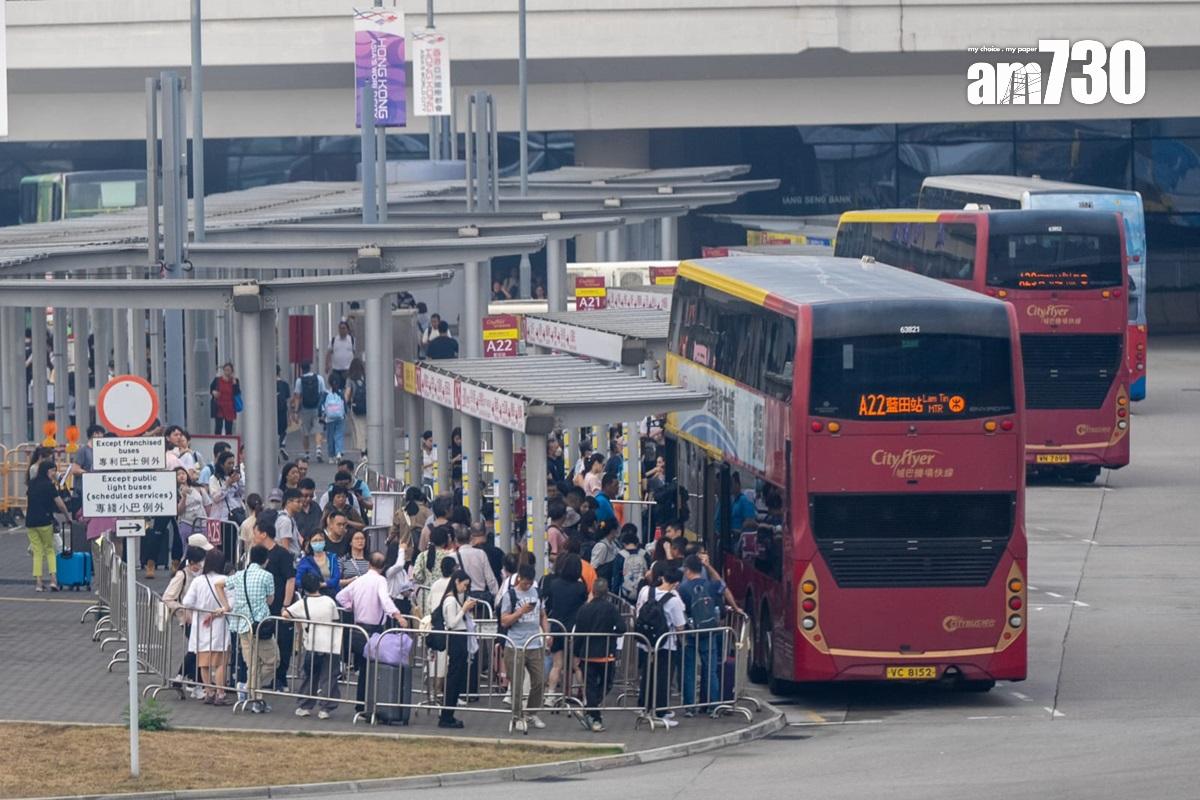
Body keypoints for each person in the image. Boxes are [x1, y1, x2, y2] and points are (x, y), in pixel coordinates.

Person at [336, 552, 407, 711]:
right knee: (372, 669)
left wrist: (350, 606)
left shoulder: (359, 580)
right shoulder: (381, 581)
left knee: (364, 669)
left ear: (369, 564)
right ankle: (369, 705)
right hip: (373, 630)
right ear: (383, 567)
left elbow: (340, 596)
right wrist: (398, 616)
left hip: (358, 628)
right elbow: (385, 600)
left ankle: (361, 705)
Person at [498, 564, 549, 731]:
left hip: (534, 643)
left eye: (530, 583)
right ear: (519, 578)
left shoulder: (537, 593)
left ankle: (531, 712)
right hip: (515, 644)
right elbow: (504, 621)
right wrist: (520, 612)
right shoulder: (510, 595)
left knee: (539, 680)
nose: (528, 586)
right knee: (517, 683)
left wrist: (547, 634)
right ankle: (517, 715)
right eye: (525, 582)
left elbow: (542, 615)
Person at [285, 571, 343, 719]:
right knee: (329, 676)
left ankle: (305, 705)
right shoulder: (329, 601)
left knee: (309, 675)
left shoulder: (302, 604)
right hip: (330, 643)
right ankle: (325, 708)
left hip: (312, 644)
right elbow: (335, 619)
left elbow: (286, 614)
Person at [679, 554, 731, 716]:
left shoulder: (683, 588)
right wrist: (709, 567)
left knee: (689, 670)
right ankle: (713, 705)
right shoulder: (711, 585)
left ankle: (690, 707)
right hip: (709, 632)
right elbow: (723, 585)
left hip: (690, 632)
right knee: (710, 670)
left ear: (688, 570)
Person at [636, 565, 687, 727]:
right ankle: (660, 711)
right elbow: (680, 626)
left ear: (663, 577)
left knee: (647, 674)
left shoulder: (645, 591)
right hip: (666, 644)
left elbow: (638, 610)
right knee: (663, 678)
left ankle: (644, 707)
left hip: (645, 641)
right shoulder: (674, 600)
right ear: (676, 583)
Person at [228, 544, 276, 714]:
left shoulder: (239, 575)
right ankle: (253, 693)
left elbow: (221, 584)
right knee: (273, 661)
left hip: (242, 625)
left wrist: (226, 606)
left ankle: (250, 691)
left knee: (252, 664)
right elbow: (270, 600)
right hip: (261, 626)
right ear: (266, 560)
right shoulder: (267, 576)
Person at [181, 548, 233, 706]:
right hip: (219, 625)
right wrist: (218, 612)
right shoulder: (225, 580)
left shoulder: (198, 581)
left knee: (203, 662)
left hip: (200, 625)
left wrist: (200, 609)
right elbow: (232, 603)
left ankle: (209, 691)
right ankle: (220, 693)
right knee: (220, 662)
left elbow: (187, 602)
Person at [573, 577, 625, 732]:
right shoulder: (611, 609)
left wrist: (576, 653)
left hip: (587, 654)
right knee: (606, 684)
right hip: (606, 653)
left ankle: (590, 711)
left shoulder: (584, 609)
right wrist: (611, 634)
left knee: (590, 686)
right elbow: (622, 628)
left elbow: (579, 633)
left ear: (593, 591)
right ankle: (594, 716)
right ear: (607, 593)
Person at [253, 510, 296, 699]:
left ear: (264, 534)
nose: (254, 536)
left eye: (255, 532)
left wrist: (286, 604)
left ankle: (281, 679)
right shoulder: (258, 555)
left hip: (279, 605)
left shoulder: (282, 554)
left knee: (283, 642)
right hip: (262, 607)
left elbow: (290, 579)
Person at [163, 544, 208, 696]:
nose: (201, 565)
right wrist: (183, 610)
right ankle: (186, 679)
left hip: (201, 619)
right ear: (192, 562)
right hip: (188, 620)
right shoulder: (182, 575)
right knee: (196, 650)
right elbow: (168, 598)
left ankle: (187, 679)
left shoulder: (202, 574)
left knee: (197, 650)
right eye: (199, 562)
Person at [543, 553, 588, 701]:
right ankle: (586, 697)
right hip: (574, 630)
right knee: (576, 665)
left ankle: (550, 696)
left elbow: (549, 605)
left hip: (557, 627)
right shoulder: (581, 587)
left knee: (557, 665)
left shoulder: (554, 584)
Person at [436, 570, 476, 728]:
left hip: (459, 638)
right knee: (454, 677)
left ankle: (448, 714)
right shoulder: (451, 600)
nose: (465, 589)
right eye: (464, 585)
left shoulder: (452, 599)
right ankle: (446, 716)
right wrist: (464, 609)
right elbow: (452, 623)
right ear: (457, 581)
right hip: (456, 638)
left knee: (456, 677)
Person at [26, 459, 67, 592]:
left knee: (37, 552)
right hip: (45, 521)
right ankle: (53, 580)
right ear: (47, 471)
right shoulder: (49, 486)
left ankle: (38, 583)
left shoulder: (32, 483)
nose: (54, 473)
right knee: (49, 550)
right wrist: (67, 517)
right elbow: (60, 504)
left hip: (30, 522)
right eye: (53, 470)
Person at [412, 525, 455, 611]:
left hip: (426, 595)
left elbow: (416, 575)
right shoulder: (450, 556)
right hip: (445, 594)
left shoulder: (422, 556)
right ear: (445, 541)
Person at [292, 362, 328, 462]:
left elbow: (297, 396)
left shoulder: (299, 380)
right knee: (318, 429)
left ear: (302, 369)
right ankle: (318, 449)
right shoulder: (319, 378)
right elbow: (323, 393)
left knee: (305, 432)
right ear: (310, 367)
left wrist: (295, 412)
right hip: (317, 408)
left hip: (305, 409)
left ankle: (307, 453)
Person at [389, 486, 431, 568]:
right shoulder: (427, 512)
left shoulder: (400, 512)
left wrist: (388, 541)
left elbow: (392, 532)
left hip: (405, 553)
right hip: (423, 552)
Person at [296, 529, 342, 597]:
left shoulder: (332, 557)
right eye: (315, 540)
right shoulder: (305, 561)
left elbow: (336, 577)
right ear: (310, 543)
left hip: (332, 595)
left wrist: (322, 584)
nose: (318, 543)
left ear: (325, 541)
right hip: (312, 596)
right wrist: (310, 585)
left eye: (320, 540)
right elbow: (298, 580)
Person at [175, 467, 207, 553]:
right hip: (186, 523)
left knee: (203, 548)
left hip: (202, 522)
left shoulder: (197, 488)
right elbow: (178, 511)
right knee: (188, 550)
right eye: (178, 475)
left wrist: (207, 519)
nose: (181, 476)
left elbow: (207, 504)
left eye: (183, 473)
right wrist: (184, 497)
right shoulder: (174, 492)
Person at [208, 451, 245, 524]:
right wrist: (227, 484)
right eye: (229, 463)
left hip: (236, 514)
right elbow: (215, 498)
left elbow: (243, 493)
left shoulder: (234, 477)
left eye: (233, 463)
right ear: (222, 464)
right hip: (220, 518)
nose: (231, 466)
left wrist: (239, 481)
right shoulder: (214, 479)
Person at [323, 372, 348, 462]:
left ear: (329, 382)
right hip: (340, 417)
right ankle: (338, 453)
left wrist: (321, 414)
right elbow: (344, 404)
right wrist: (345, 413)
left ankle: (331, 456)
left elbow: (320, 404)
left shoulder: (326, 393)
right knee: (339, 435)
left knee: (330, 437)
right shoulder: (340, 393)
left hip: (329, 418)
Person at [209, 362, 241, 435]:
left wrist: (235, 384)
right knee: (218, 426)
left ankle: (228, 439)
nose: (227, 372)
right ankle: (217, 439)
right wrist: (213, 392)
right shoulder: (217, 380)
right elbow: (211, 389)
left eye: (229, 370)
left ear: (232, 371)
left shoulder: (235, 381)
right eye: (225, 370)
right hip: (219, 405)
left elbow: (237, 393)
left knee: (229, 427)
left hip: (230, 406)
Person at [346, 358, 368, 458]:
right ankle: (368, 450)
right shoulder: (366, 378)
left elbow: (347, 394)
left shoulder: (350, 379)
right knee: (367, 429)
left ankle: (363, 453)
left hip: (356, 408)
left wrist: (346, 403)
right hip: (367, 407)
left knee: (360, 430)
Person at [327, 320, 356, 386]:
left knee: (347, 388)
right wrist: (327, 365)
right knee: (336, 387)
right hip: (336, 370)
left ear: (347, 330)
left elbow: (355, 353)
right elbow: (328, 353)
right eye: (340, 328)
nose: (341, 330)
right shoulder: (334, 340)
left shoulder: (352, 340)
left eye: (343, 328)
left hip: (348, 369)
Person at [276, 489, 303, 559]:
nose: (301, 505)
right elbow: (285, 547)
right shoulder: (285, 521)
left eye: (301, 502)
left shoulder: (290, 518)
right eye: (298, 502)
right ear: (288, 502)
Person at [238, 494, 263, 561]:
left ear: (248, 506)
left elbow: (246, 546)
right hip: (266, 556)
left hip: (251, 556)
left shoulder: (245, 524)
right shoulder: (266, 519)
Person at [276, 366, 292, 460]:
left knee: (273, 432)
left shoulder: (267, 384)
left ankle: (275, 450)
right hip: (282, 411)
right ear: (279, 372)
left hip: (270, 413)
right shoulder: (285, 384)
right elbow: (288, 401)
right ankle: (281, 445)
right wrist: (290, 416)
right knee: (283, 430)